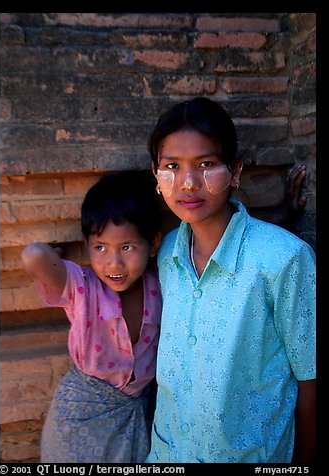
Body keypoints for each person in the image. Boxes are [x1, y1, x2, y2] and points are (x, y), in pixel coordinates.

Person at [145, 97, 316, 464]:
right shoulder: (167, 253)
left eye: (206, 164)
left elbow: (311, 376)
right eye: (172, 166)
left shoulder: (286, 258)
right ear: (156, 176)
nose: (188, 183)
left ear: (235, 171)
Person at [21, 171, 162, 463]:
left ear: (154, 244)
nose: (114, 263)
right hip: (79, 416)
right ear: (86, 247)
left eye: (127, 247)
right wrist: (54, 255)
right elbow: (32, 256)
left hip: (136, 412)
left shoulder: (161, 286)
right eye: (100, 248)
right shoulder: (83, 288)